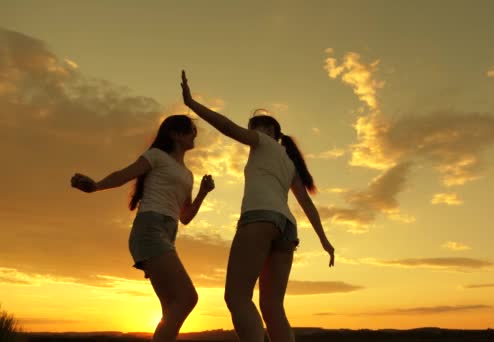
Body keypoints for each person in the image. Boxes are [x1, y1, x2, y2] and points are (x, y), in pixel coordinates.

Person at [180, 70, 335, 342]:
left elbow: (227, 127)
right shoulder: (289, 163)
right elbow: (306, 204)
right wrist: (324, 241)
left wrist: (192, 104)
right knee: (273, 307)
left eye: (254, 128)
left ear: (268, 132)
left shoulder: (262, 142)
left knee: (237, 297)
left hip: (260, 219)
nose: (250, 133)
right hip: (287, 229)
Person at [70, 114, 215, 342]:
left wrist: (203, 194)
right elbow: (123, 175)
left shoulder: (188, 174)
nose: (194, 133)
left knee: (171, 309)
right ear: (175, 134)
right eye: (190, 129)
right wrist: (96, 186)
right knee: (188, 298)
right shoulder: (156, 156)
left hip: (167, 234)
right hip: (149, 229)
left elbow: (185, 217)